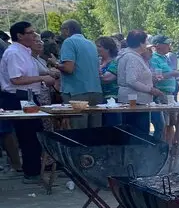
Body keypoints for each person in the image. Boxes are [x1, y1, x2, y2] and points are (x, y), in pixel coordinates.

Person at [0, 22, 52, 182]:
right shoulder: (14, 53)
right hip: (18, 97)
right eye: (29, 33)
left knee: (34, 134)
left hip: (28, 96)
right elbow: (16, 79)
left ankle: (35, 169)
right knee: (28, 136)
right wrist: (42, 78)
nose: (33, 35)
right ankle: (31, 172)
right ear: (20, 36)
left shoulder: (25, 52)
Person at [56, 19, 104, 128]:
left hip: (76, 93)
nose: (61, 33)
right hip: (95, 91)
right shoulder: (91, 43)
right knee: (95, 131)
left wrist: (55, 64)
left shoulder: (69, 42)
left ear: (67, 30)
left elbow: (69, 68)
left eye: (62, 30)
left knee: (78, 131)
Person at [117, 30, 164, 136]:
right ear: (140, 43)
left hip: (137, 101)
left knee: (135, 134)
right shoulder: (132, 57)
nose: (147, 44)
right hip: (135, 102)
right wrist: (151, 89)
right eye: (146, 41)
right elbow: (131, 80)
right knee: (139, 135)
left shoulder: (134, 56)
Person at [149, 35, 179, 142]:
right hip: (161, 94)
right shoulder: (154, 58)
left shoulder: (165, 58)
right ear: (158, 46)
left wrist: (178, 75)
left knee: (172, 122)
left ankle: (170, 147)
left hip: (170, 94)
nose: (168, 45)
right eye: (166, 43)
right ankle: (163, 148)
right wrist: (172, 73)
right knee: (164, 124)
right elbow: (156, 76)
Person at [97, 36, 122, 126]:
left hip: (112, 99)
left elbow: (107, 78)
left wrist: (96, 73)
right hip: (98, 99)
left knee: (112, 126)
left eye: (99, 46)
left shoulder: (116, 61)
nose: (97, 48)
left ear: (107, 48)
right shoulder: (97, 61)